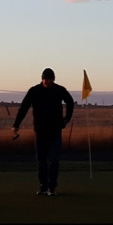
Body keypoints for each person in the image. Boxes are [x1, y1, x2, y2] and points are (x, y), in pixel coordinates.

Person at [12, 68, 74, 196]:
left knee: (54, 159)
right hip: (40, 130)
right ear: (42, 79)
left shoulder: (59, 90)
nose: (48, 82)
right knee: (41, 160)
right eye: (46, 79)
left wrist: (66, 119)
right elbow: (24, 107)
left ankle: (52, 187)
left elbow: (70, 102)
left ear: (53, 79)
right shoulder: (34, 91)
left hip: (55, 130)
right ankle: (43, 187)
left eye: (50, 79)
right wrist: (16, 125)